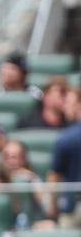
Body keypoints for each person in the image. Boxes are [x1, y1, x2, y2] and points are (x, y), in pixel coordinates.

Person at [47, 85, 81, 228]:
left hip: (74, 211)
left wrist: (52, 205)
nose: (65, 107)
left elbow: (54, 176)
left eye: (69, 103)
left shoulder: (66, 138)